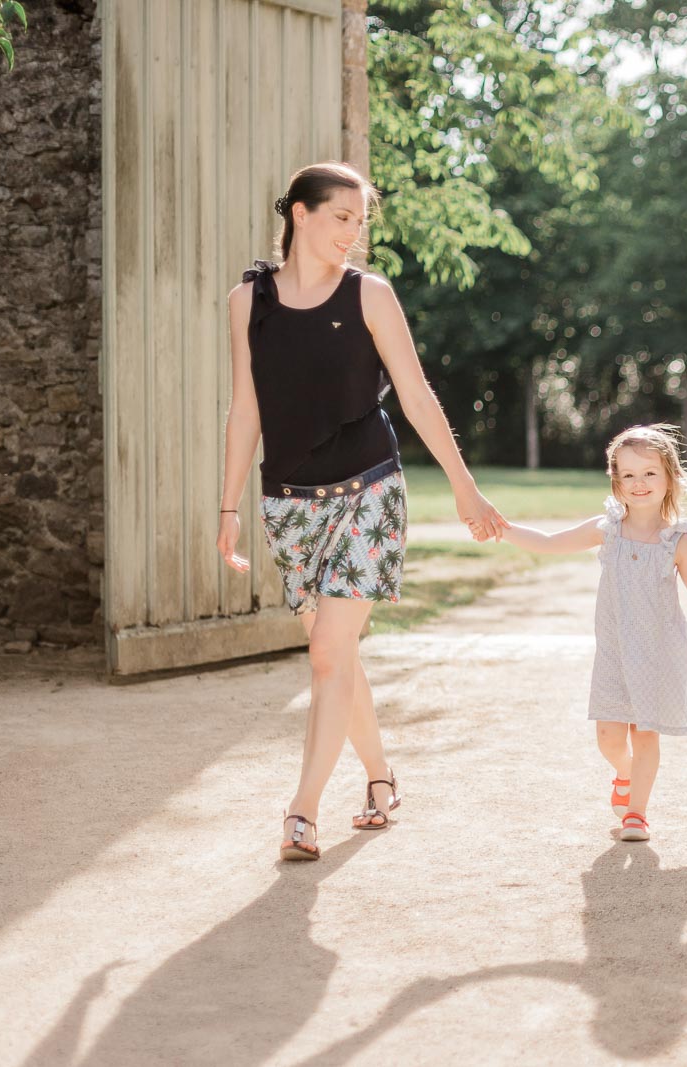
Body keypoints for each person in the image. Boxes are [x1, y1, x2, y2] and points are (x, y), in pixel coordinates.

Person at [215, 161, 506, 861]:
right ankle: (380, 777)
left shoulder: (369, 294)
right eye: (341, 216)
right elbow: (246, 407)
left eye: (360, 221)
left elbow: (415, 392)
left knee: (324, 654)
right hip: (289, 501)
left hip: (369, 490)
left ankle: (301, 813)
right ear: (301, 214)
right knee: (336, 656)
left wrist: (464, 484)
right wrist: (228, 507)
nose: (353, 231)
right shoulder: (246, 300)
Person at [500, 424, 687, 842]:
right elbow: (549, 542)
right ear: (616, 480)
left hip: (657, 653)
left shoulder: (678, 541)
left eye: (650, 473)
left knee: (646, 733)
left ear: (669, 477)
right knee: (608, 737)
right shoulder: (607, 529)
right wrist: (501, 527)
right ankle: (624, 772)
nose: (639, 483)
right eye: (629, 474)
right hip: (616, 653)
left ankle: (636, 813)